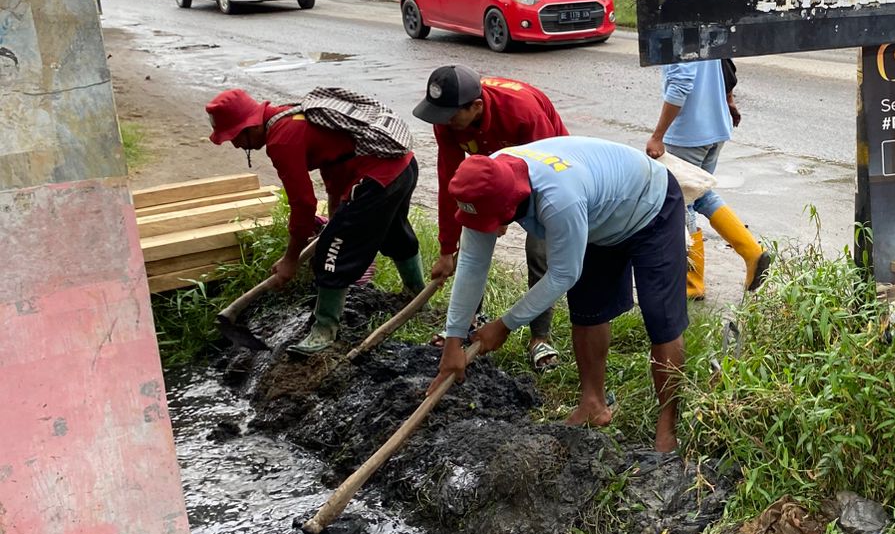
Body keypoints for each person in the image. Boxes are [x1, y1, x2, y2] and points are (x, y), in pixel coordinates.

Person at [427, 136, 689, 452]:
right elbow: (471, 261)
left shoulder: (558, 199)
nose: (491, 229)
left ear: (511, 205)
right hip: (597, 213)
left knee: (661, 319)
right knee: (587, 307)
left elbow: (563, 274)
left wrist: (505, 324)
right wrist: (454, 340)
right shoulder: (482, 181)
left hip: (649, 203)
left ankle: (667, 427)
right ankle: (593, 404)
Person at [205, 87, 425, 355]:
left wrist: (290, 260)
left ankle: (323, 331)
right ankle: (415, 294)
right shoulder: (292, 114)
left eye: (235, 137)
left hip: (378, 177)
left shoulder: (282, 140)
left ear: (250, 126)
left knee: (331, 256)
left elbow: (303, 205)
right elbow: (334, 162)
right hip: (402, 166)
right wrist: (337, 218)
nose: (236, 145)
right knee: (393, 232)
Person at [412, 65, 569, 371]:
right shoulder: (446, 118)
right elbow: (451, 183)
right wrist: (447, 249)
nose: (444, 123)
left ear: (477, 107)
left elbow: (546, 173)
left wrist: (505, 215)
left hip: (548, 172)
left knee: (539, 252)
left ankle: (540, 336)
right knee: (474, 246)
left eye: (451, 117)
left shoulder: (522, 113)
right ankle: (468, 321)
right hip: (494, 174)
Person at [646, 58, 769, 299]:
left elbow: (681, 83)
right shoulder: (703, 19)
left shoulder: (675, 26)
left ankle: (692, 284)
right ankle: (752, 252)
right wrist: (728, 101)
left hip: (689, 132)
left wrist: (658, 135)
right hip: (715, 126)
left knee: (682, 202)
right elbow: (725, 63)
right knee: (700, 194)